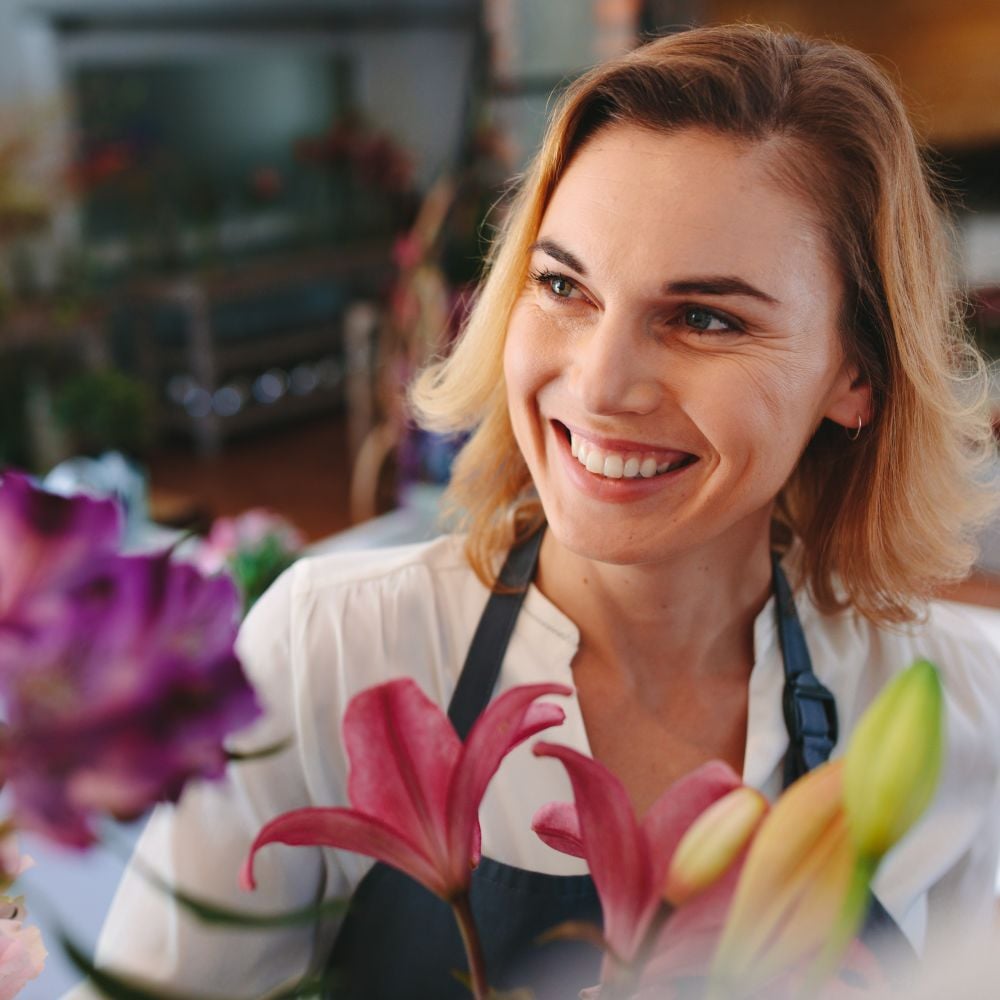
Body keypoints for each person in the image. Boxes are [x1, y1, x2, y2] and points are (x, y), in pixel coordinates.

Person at [68, 23, 1000, 1000]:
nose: (599, 385)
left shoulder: (961, 708)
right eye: (562, 286)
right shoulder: (332, 652)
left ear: (856, 373)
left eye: (705, 317)